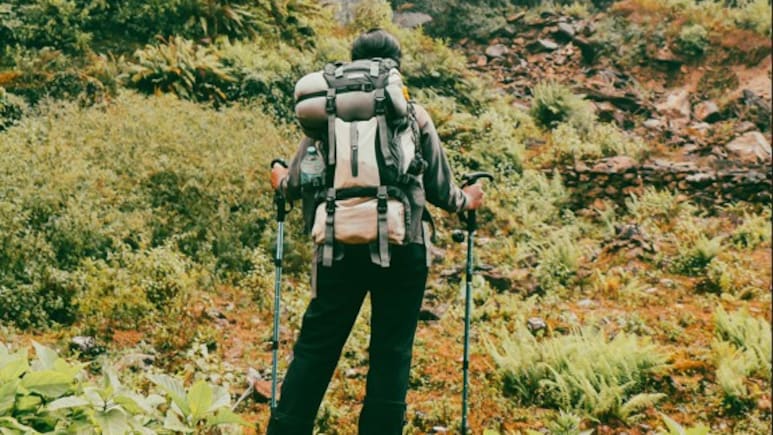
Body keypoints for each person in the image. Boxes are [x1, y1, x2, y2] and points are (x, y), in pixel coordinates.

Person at [268, 29, 485, 435]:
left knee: (316, 347)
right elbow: (440, 189)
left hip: (337, 247)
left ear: (352, 63)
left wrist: (278, 176)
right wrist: (468, 199)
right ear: (395, 67)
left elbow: (296, 183)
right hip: (404, 248)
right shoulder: (412, 114)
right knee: (391, 351)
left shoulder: (325, 114)